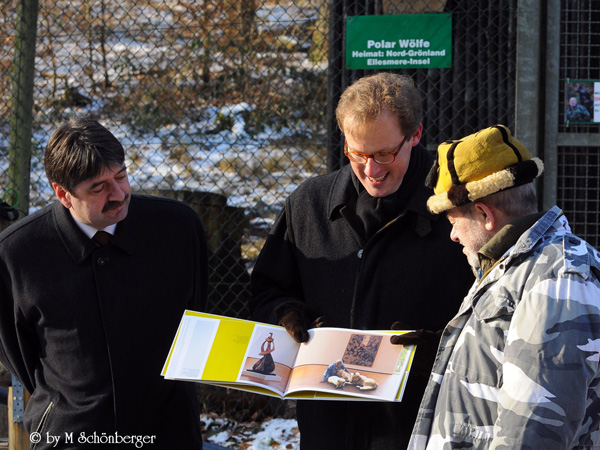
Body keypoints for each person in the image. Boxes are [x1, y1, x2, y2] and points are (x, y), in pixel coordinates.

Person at [250, 72, 473, 449]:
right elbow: (267, 289)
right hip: (328, 426)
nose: (372, 170)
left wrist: (443, 349)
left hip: (425, 424)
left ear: (415, 135)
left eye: (385, 154)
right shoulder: (309, 203)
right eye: (358, 154)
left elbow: (497, 313)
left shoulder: (457, 207)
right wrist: (284, 311)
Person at [0, 116, 208, 449]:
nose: (119, 194)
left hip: (167, 431)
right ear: (63, 194)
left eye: (121, 176)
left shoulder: (177, 227)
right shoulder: (17, 253)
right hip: (70, 436)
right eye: (98, 187)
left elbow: (197, 308)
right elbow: (17, 351)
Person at [409, 124, 600, 449]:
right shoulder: (510, 265)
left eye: (454, 221)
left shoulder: (557, 279)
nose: (453, 235)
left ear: (484, 214)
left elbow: (533, 435)